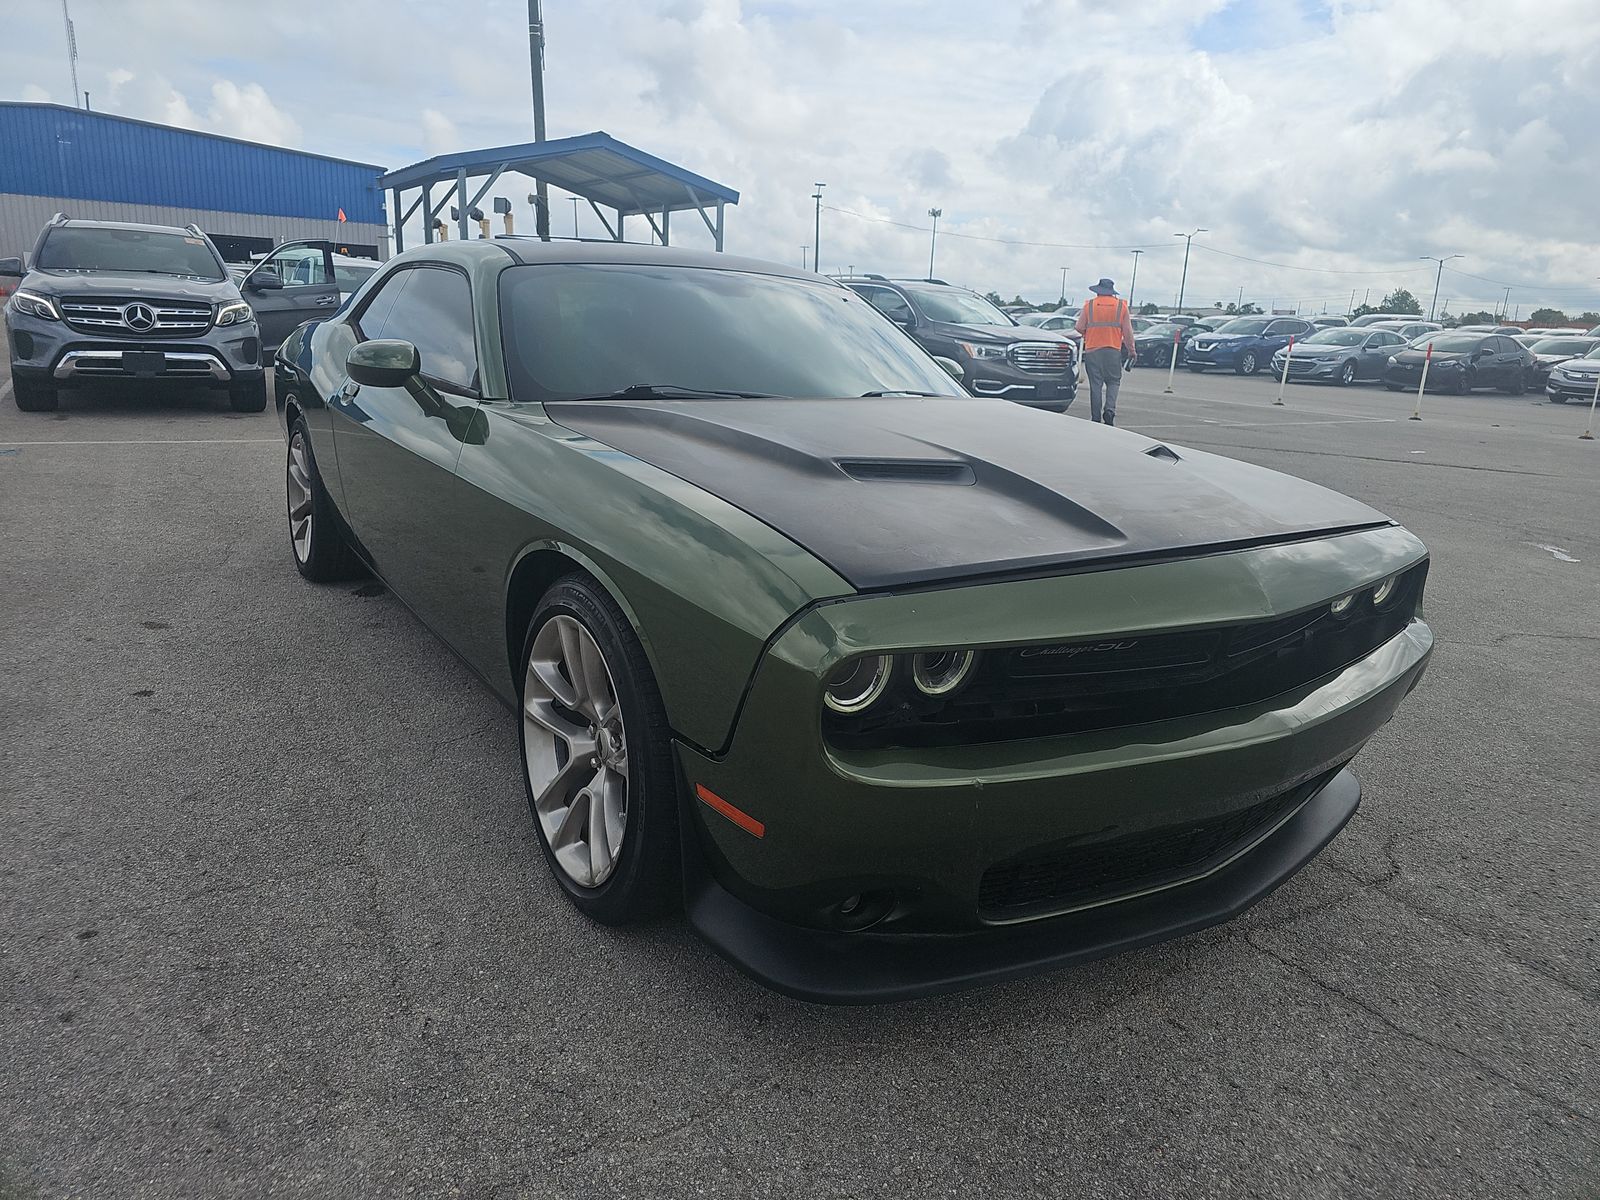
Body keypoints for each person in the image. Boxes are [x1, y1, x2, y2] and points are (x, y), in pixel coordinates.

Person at [1073, 277, 1136, 426]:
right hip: (1113, 350)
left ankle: (1095, 417)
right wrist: (1132, 351)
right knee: (1113, 382)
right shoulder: (1121, 307)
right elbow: (1128, 333)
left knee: (1096, 384)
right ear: (1112, 292)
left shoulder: (1089, 306)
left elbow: (1079, 327)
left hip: (1093, 350)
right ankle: (1110, 410)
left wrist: (1089, 334)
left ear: (1098, 291)